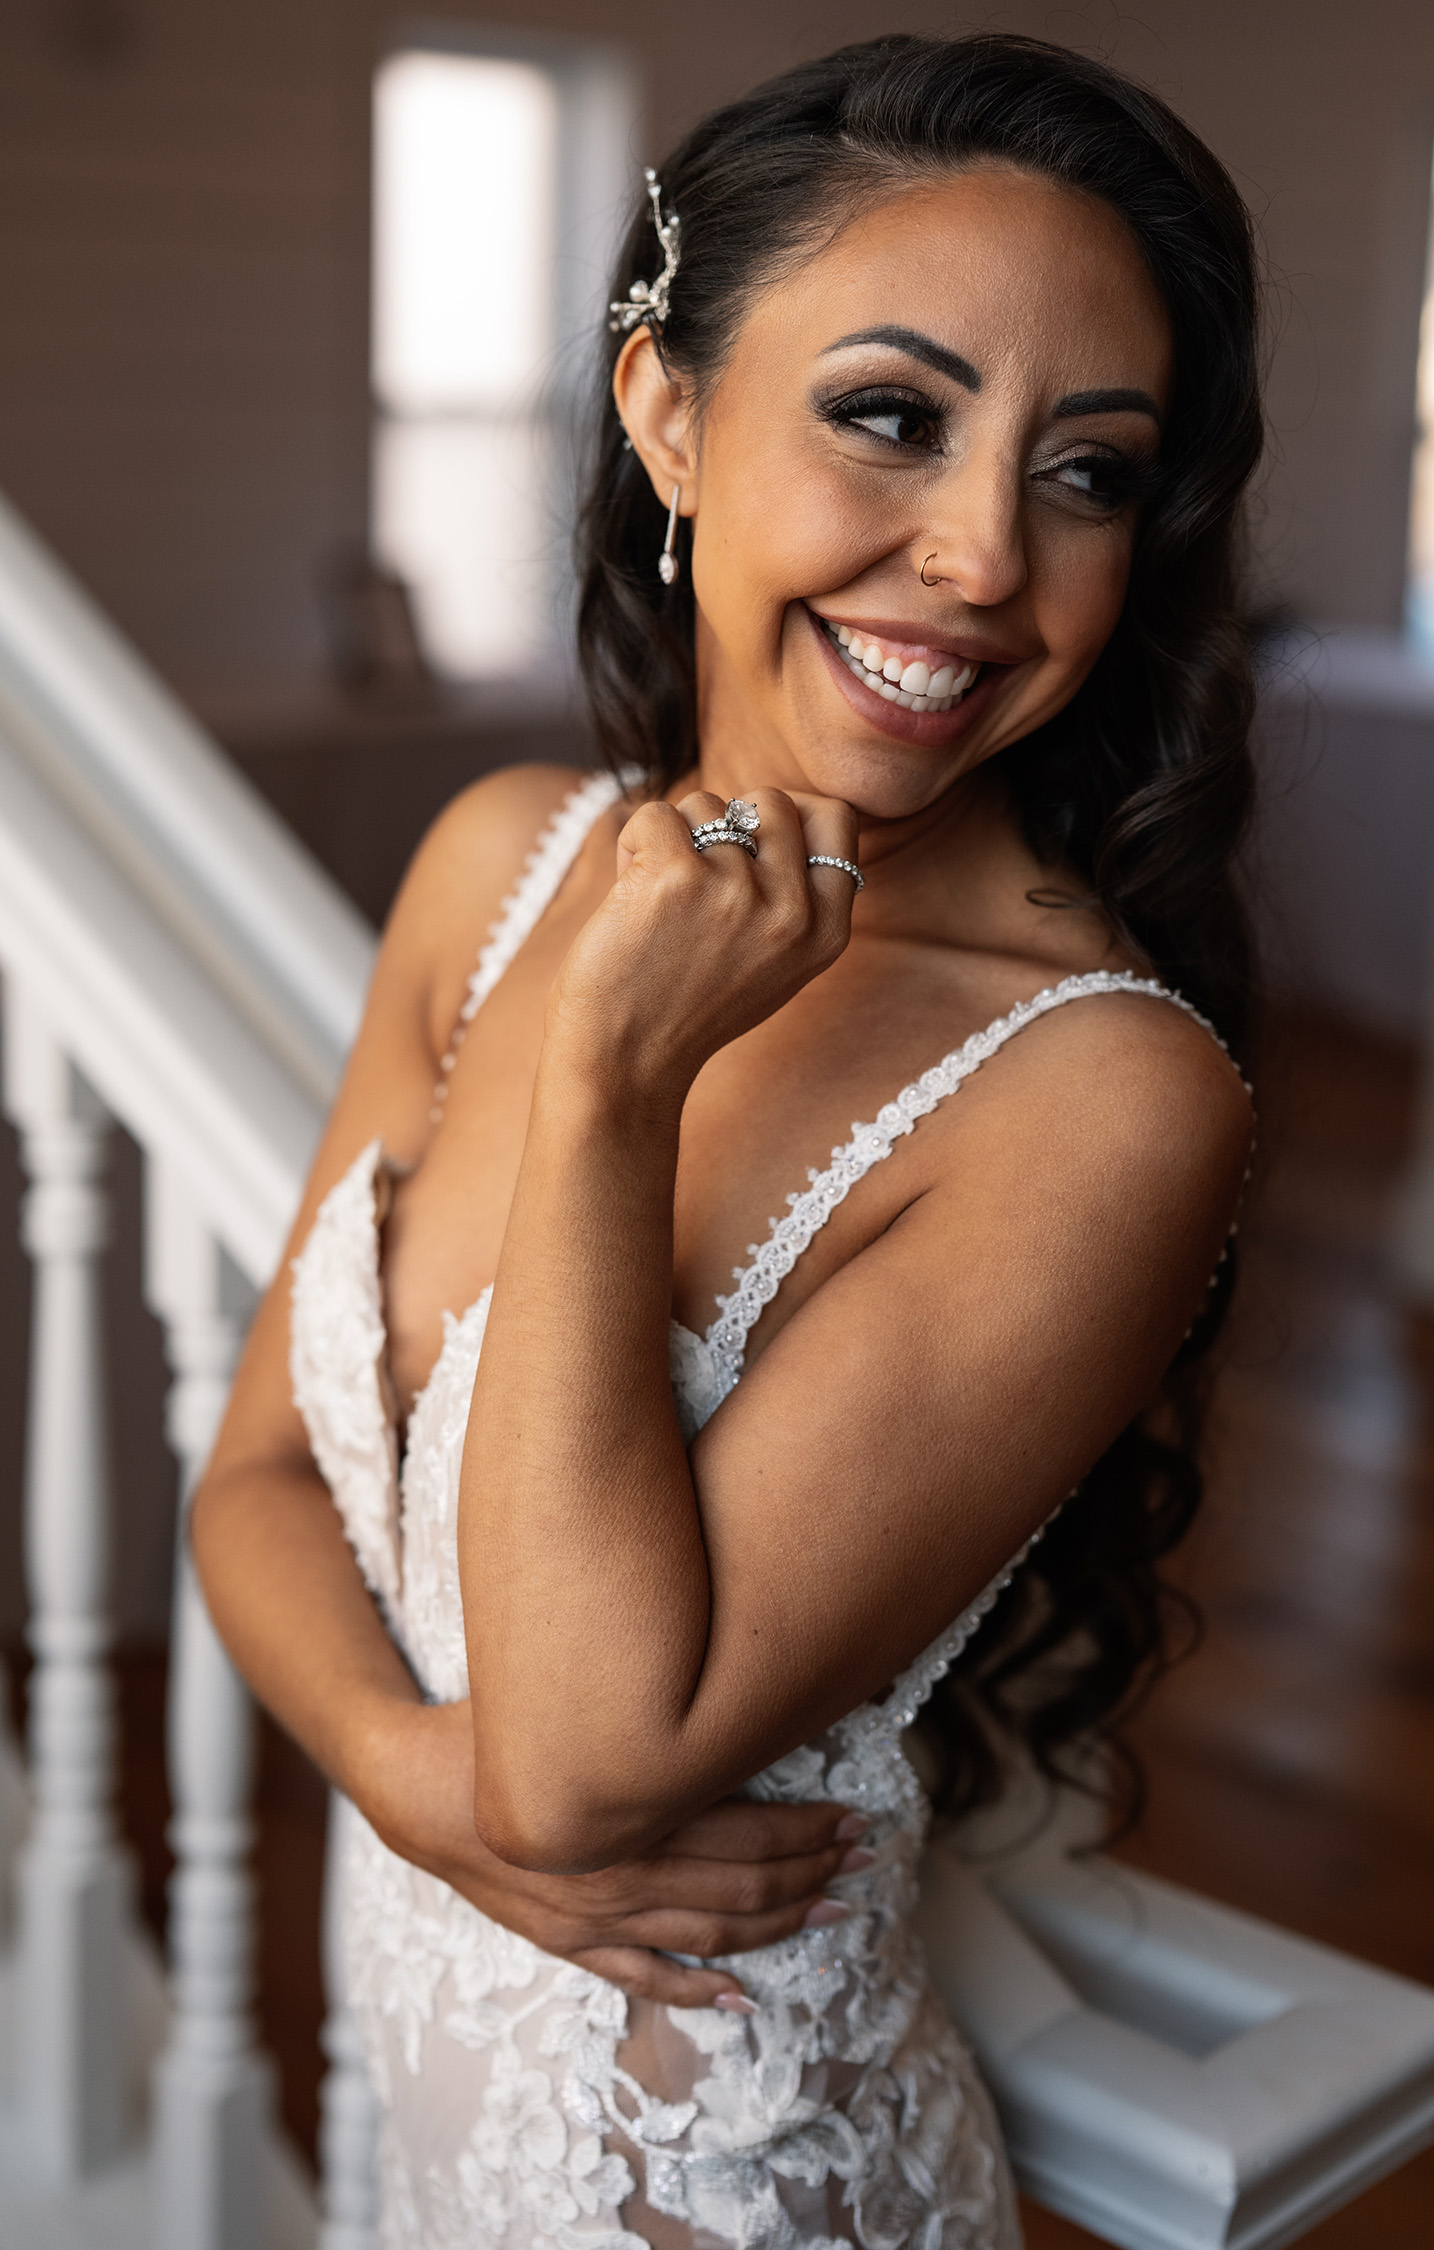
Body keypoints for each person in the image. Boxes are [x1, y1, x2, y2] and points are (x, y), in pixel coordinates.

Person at [194, 31, 1261, 2248]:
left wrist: (606, 1086)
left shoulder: (1103, 1095)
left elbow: (591, 1757)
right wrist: (416, 1788)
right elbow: (260, 1490)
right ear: (666, 408)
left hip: (732, 2196)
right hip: (421, 2128)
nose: (980, 554)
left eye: (1088, 474)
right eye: (893, 414)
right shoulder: (501, 865)